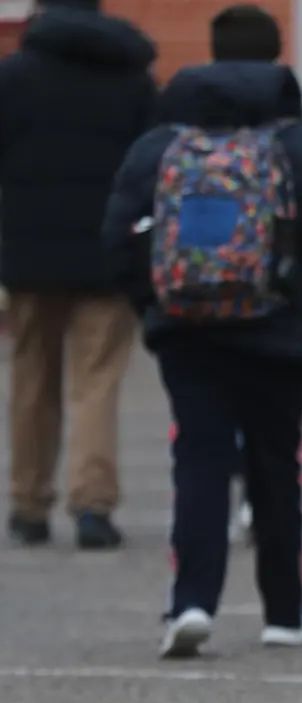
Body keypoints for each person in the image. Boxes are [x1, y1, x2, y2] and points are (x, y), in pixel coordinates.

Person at [102, 7, 302, 656]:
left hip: (187, 331)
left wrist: (157, 309)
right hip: (281, 330)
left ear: (211, 52)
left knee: (197, 461)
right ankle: (285, 611)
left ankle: (189, 604)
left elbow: (116, 240)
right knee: (277, 468)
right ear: (279, 56)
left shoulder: (160, 146)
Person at [0, 0, 157, 550]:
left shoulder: (13, 76)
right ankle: (92, 504)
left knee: (31, 379)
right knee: (97, 381)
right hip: (108, 253)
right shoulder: (133, 77)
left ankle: (28, 504)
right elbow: (152, 165)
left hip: (28, 253)